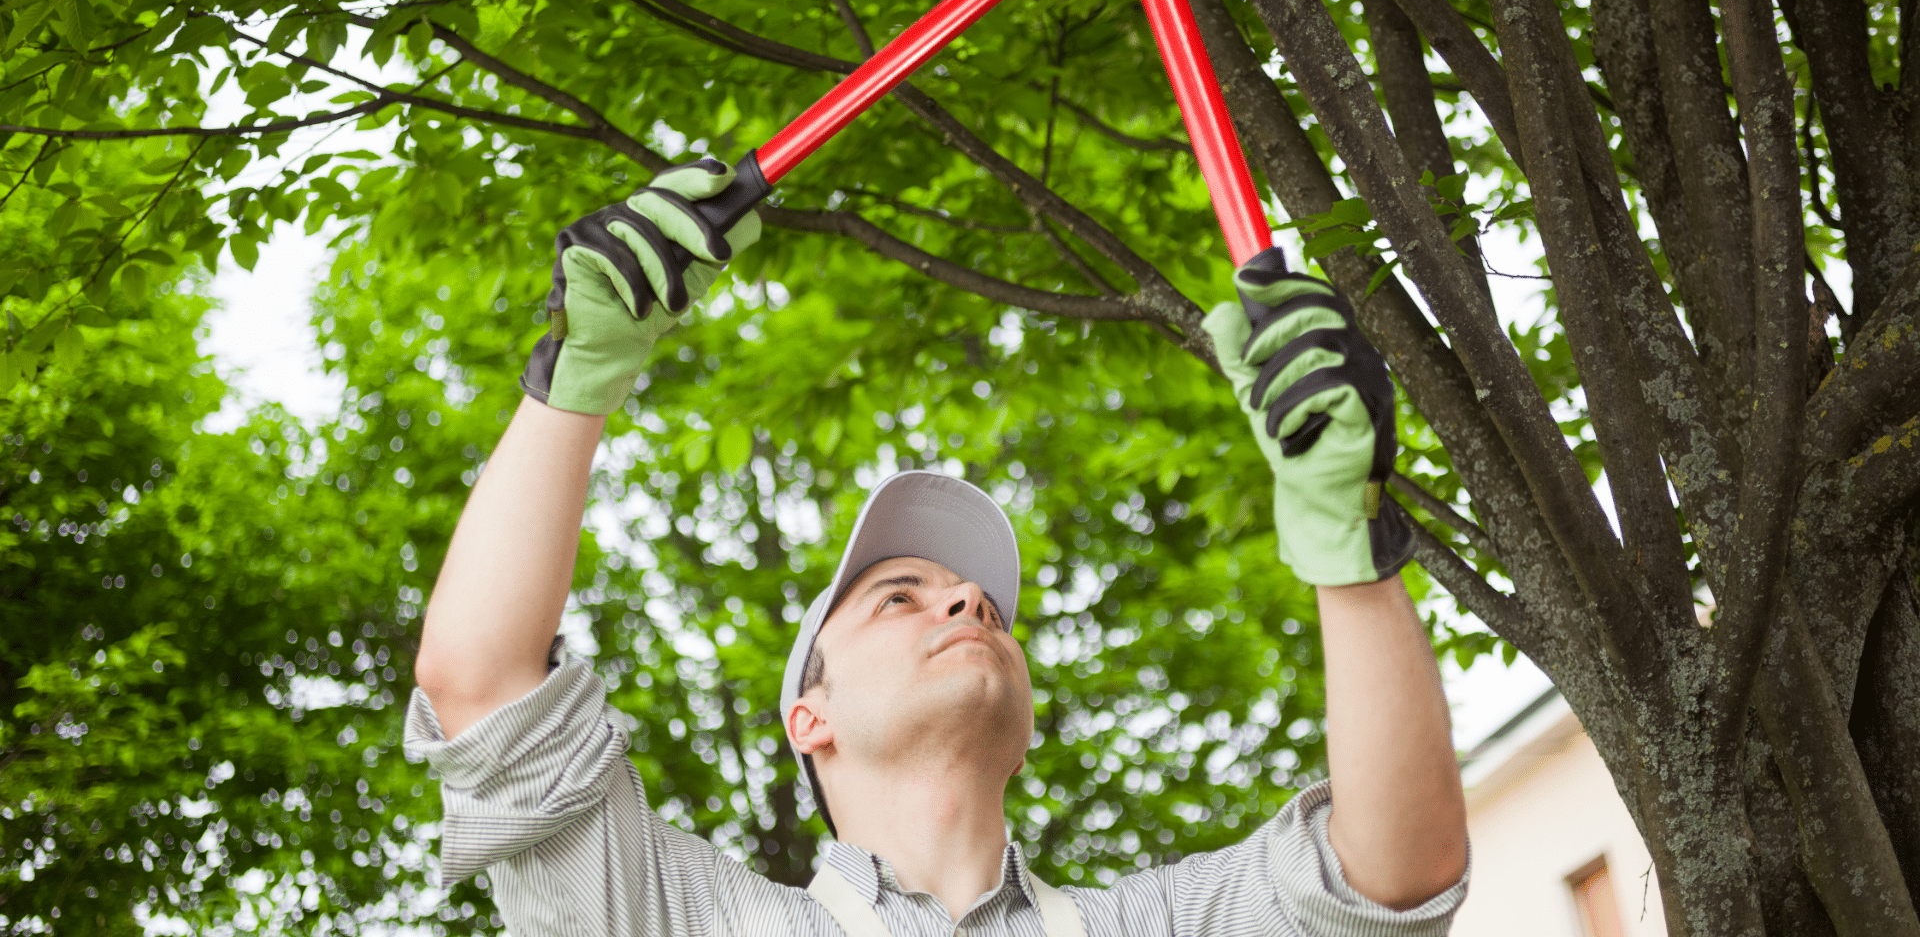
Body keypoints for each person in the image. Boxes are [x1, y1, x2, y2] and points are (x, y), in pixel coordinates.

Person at [405, 161, 1469, 936]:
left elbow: (1394, 876)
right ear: (806, 717)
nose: (966, 604)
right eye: (900, 598)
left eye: (986, 609)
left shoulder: (1155, 925)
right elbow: (483, 688)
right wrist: (575, 380)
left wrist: (1349, 544)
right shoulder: (691, 922)